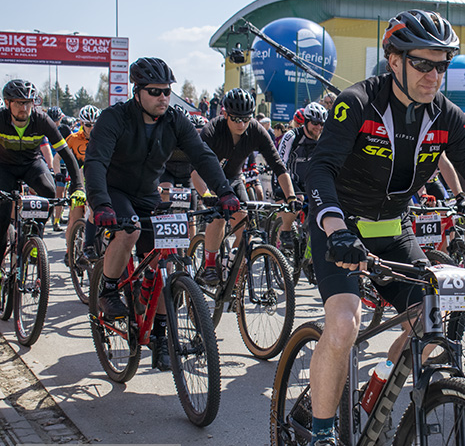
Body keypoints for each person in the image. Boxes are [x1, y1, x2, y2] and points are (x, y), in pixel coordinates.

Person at [303, 9, 465, 446]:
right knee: (345, 322)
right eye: (424, 64)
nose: (434, 75)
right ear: (395, 61)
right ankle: (322, 435)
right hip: (340, 226)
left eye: (441, 66)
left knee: (430, 321)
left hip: (392, 228)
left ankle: (376, 395)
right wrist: (334, 226)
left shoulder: (447, 116)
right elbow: (320, 169)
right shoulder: (357, 103)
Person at [84, 57, 239, 371]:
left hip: (148, 194)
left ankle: (160, 337)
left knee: (166, 259)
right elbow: (96, 162)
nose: (163, 98)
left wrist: (224, 191)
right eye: (155, 92)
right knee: (130, 232)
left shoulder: (175, 120)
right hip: (116, 192)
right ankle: (109, 288)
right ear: (137, 90)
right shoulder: (116, 118)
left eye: (167, 91)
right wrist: (100, 204)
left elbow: (203, 155)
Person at [194, 88, 298, 286]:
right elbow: (196, 171)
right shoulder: (212, 130)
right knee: (218, 218)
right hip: (210, 180)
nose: (241, 124)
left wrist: (291, 197)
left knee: (246, 229)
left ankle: (232, 271)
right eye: (236, 119)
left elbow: (278, 166)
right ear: (225, 114)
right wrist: (206, 194)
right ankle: (209, 265)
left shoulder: (257, 130)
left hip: (233, 178)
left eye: (246, 119)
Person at [0, 80, 84, 263]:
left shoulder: (41, 120)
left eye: (29, 102)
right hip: (5, 167)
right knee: (2, 217)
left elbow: (67, 155)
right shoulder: (1, 119)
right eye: (19, 103)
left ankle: (36, 231)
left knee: (49, 191)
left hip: (32, 164)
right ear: (7, 103)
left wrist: (78, 187)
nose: (25, 107)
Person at [275, 101, 327, 247]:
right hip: (290, 180)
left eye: (322, 124)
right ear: (306, 121)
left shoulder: (324, 138)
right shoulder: (292, 136)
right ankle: (284, 232)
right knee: (296, 202)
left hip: (311, 181)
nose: (319, 127)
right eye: (315, 123)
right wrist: (289, 190)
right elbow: (280, 163)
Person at [64, 105, 100, 260]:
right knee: (75, 217)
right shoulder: (73, 139)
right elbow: (58, 158)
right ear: (81, 123)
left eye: (95, 124)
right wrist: (59, 173)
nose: (91, 128)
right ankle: (69, 251)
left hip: (96, 180)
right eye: (88, 125)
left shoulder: (103, 137)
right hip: (78, 183)